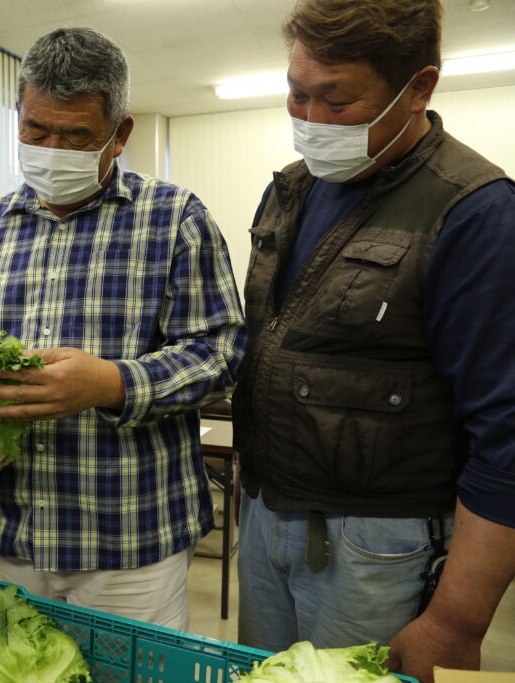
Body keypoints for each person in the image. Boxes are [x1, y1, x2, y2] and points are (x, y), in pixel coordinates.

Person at [0, 27, 245, 630]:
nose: (52, 148)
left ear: (118, 134)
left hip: (129, 540)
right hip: (14, 529)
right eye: (36, 131)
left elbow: (220, 352)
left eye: (76, 136)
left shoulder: (175, 220)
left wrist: (113, 384)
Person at [231, 1, 515, 680]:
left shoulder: (473, 211)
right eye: (297, 93)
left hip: (373, 543)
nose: (310, 119)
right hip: (267, 512)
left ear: (418, 88)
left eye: (336, 100)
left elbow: (506, 438)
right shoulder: (290, 191)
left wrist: (454, 620)